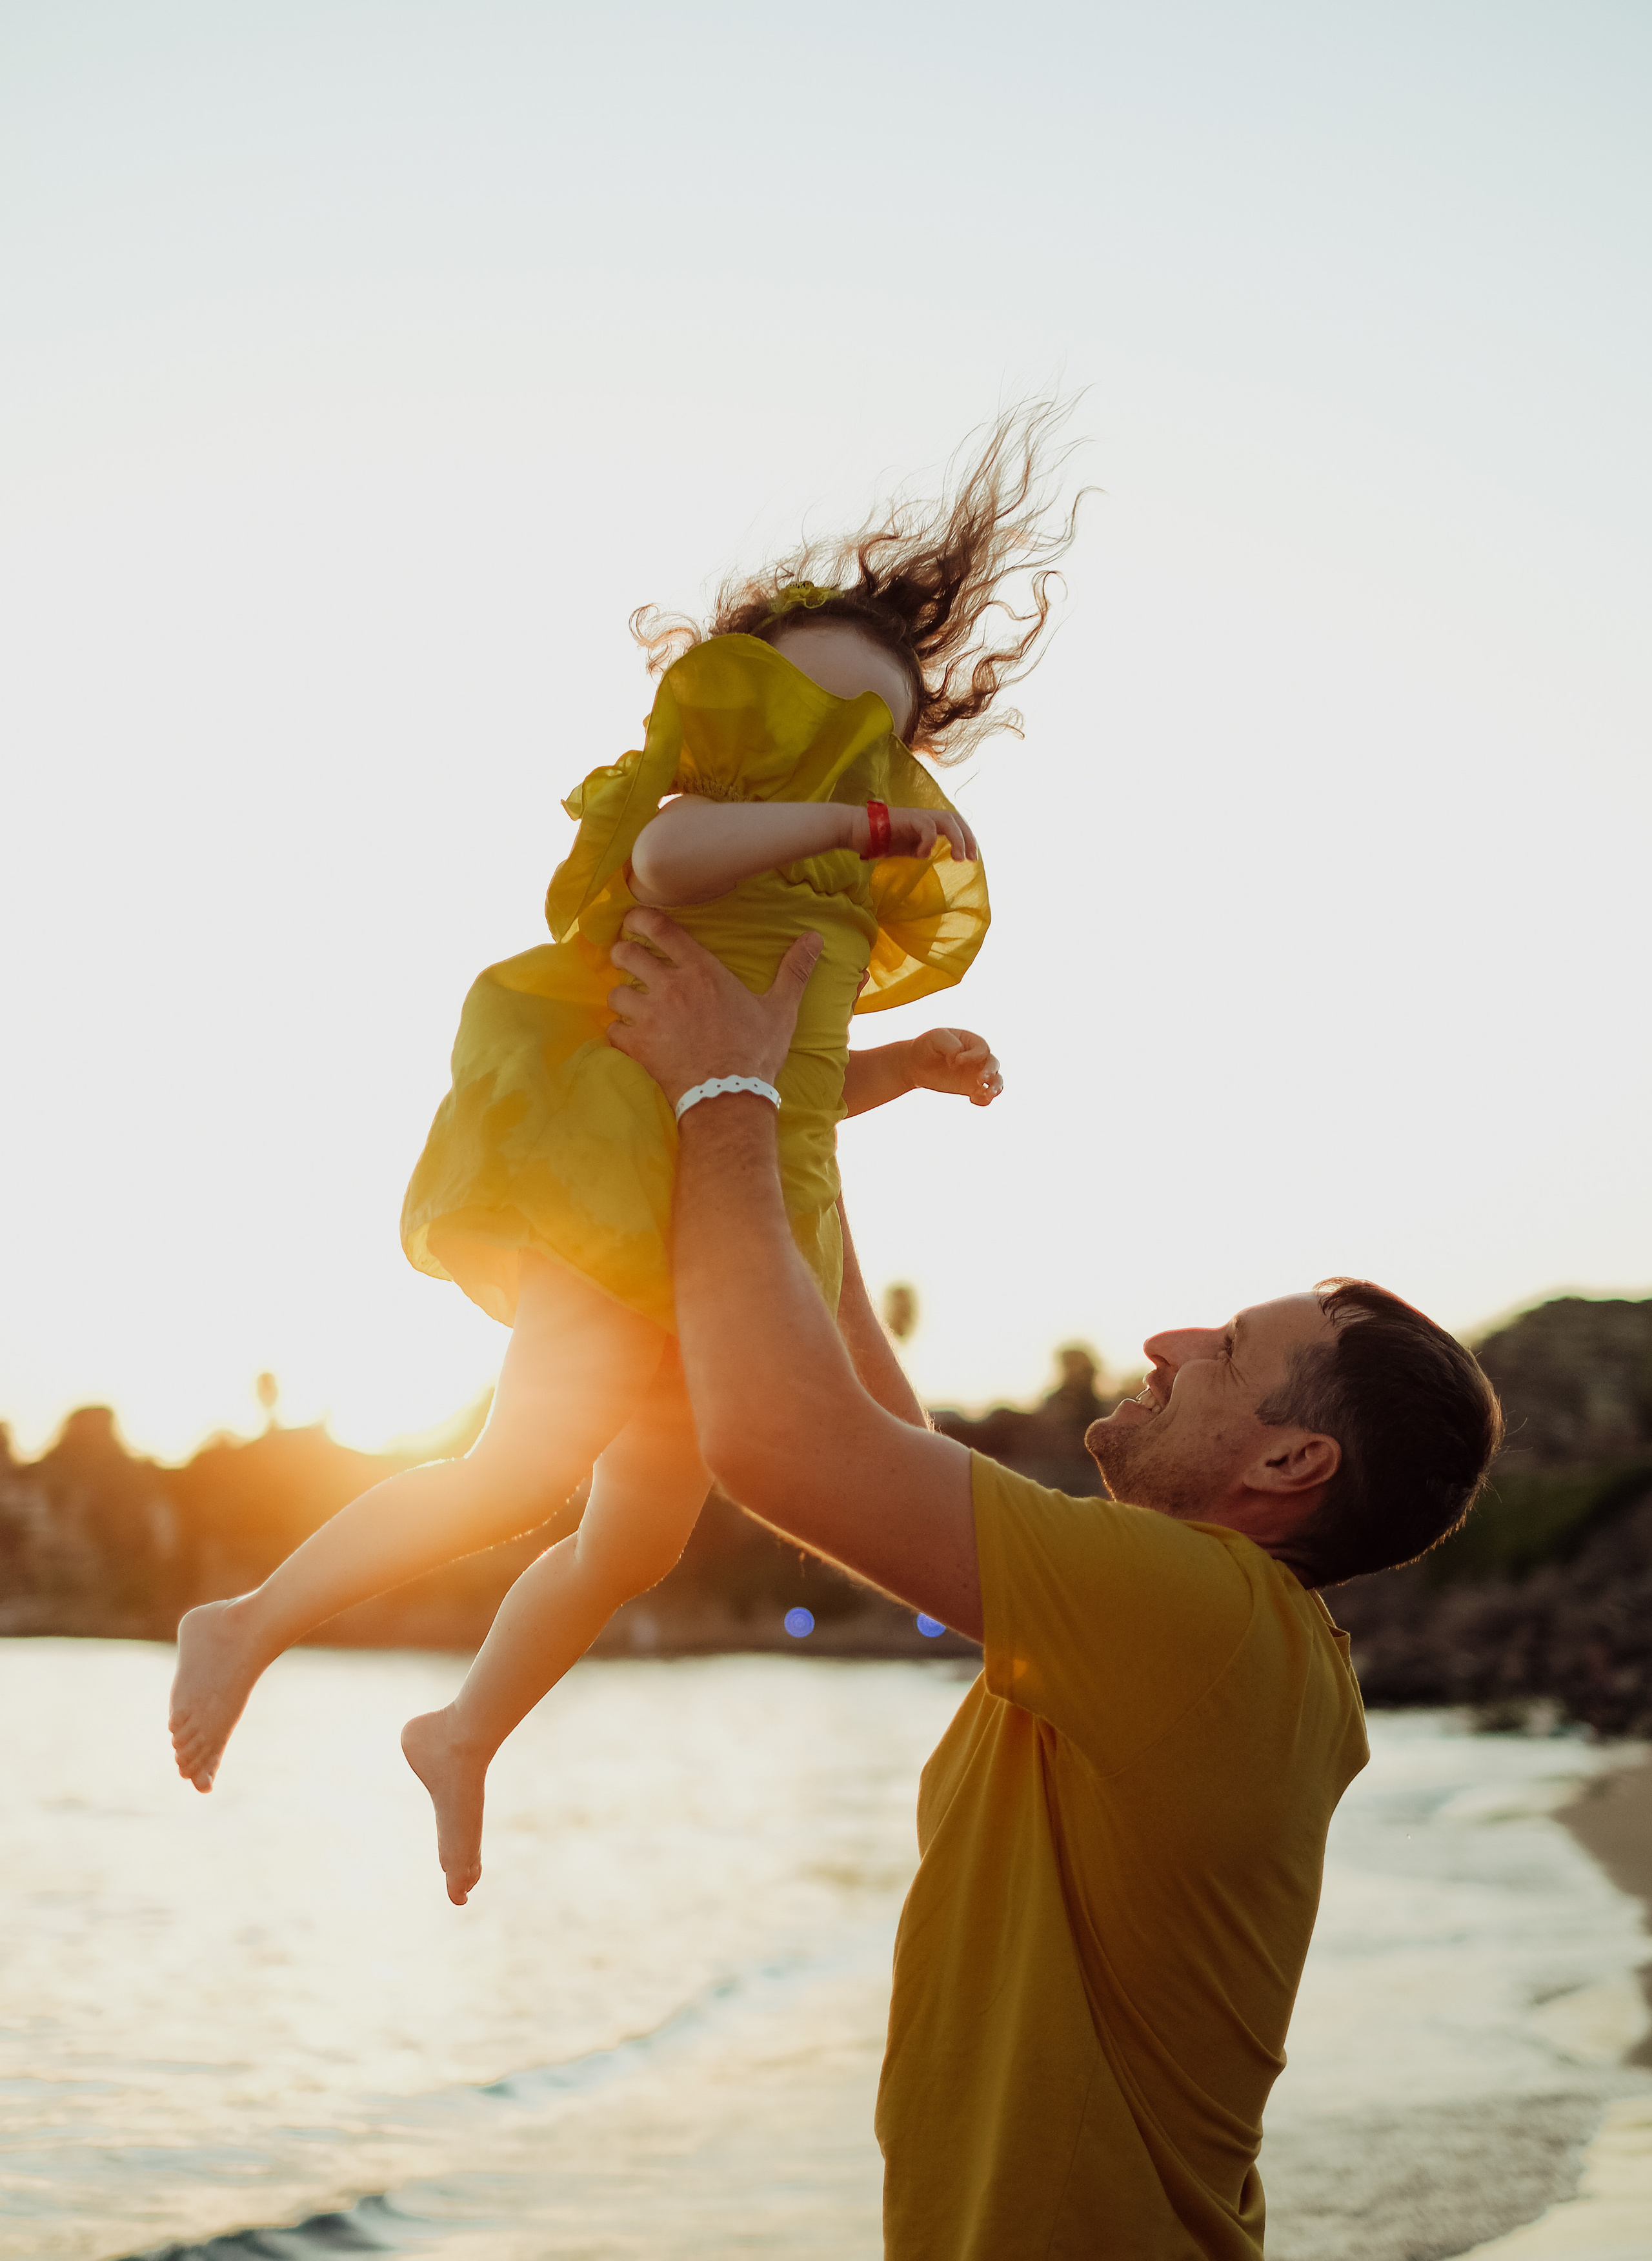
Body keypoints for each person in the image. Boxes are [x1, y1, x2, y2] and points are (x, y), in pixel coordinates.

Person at [601, 912, 1506, 2261]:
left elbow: (779, 1443)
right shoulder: (1185, 1629)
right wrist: (798, 1124)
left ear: (1289, 1465)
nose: (1168, 1336)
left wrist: (720, 1100)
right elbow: (869, 1423)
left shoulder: (1202, 1622)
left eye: (1227, 1346)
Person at [169, 405, 1085, 1904]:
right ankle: (250, 1617)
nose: (846, 769)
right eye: (811, 730)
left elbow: (774, 1085)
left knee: (640, 1537)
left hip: (735, 1215)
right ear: (743, 726)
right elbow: (661, 866)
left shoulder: (838, 911)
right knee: (517, 1461)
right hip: (623, 1192)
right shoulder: (705, 833)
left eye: (875, 742)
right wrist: (835, 819)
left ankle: (462, 1731)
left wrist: (904, 1068)